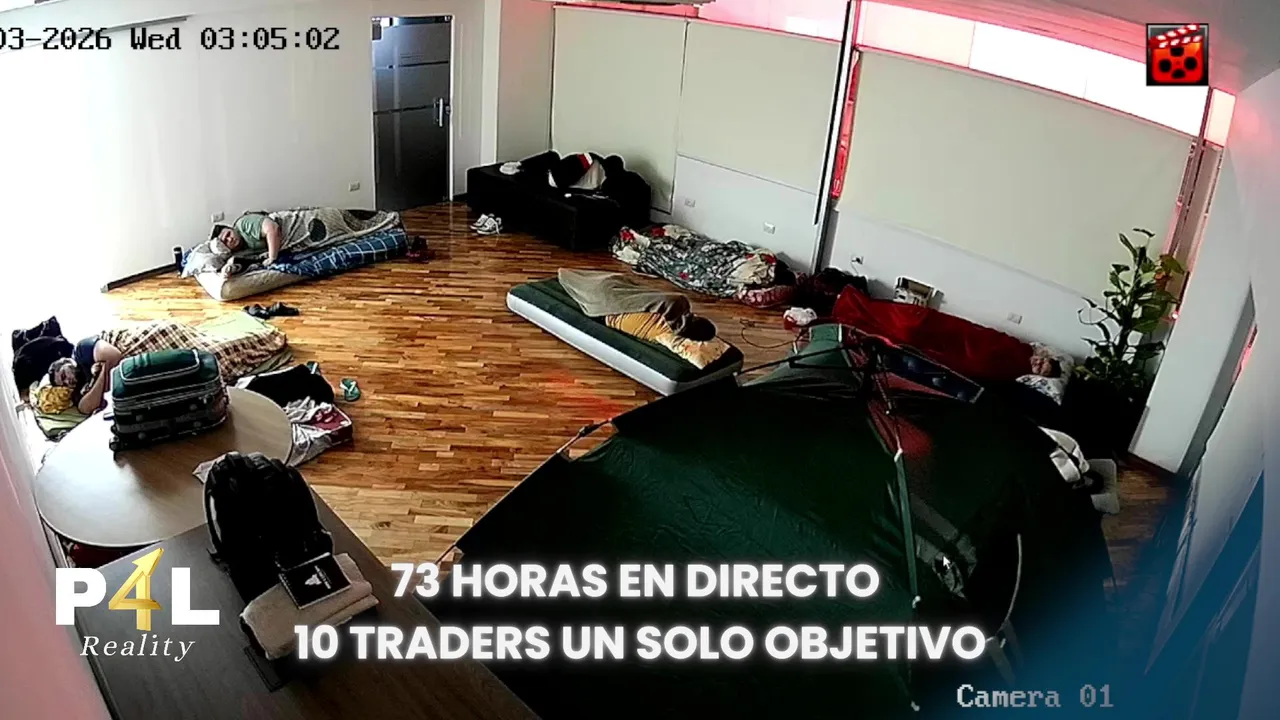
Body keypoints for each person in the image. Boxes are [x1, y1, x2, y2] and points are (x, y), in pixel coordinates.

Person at [48, 336, 124, 415]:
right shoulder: (78, 391)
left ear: (67, 361)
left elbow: (114, 357)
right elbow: (86, 408)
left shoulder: (81, 351)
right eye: (64, 384)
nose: (67, 381)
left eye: (64, 376)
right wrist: (102, 373)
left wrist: (98, 387)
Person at [211, 212, 285, 269]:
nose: (230, 239)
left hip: (287, 228)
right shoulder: (238, 253)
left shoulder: (243, 224)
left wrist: (272, 257)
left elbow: (273, 228)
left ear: (232, 228)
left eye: (229, 234)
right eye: (226, 241)